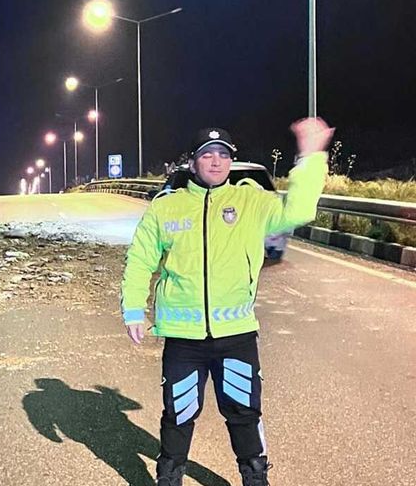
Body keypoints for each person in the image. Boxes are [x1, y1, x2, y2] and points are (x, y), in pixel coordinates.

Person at [121, 119, 333, 486]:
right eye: (208, 155)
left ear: (231, 162)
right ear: (193, 162)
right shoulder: (166, 208)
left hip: (235, 333)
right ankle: (169, 476)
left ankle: (255, 477)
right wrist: (133, 308)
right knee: (179, 413)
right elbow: (141, 258)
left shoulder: (250, 200)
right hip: (183, 337)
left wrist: (311, 157)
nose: (216, 162)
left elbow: (298, 210)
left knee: (243, 412)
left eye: (223, 155)